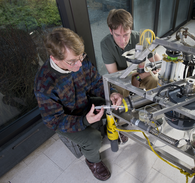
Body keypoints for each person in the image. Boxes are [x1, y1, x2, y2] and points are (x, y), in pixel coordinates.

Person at [34, 27, 124, 181]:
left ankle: (112, 129)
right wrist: (85, 121)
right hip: (65, 121)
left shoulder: (81, 60)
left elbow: (96, 82)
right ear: (54, 58)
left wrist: (113, 92)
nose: (80, 65)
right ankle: (93, 161)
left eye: (81, 57)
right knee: (93, 139)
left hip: (84, 104)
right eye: (72, 61)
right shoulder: (44, 84)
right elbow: (54, 121)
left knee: (112, 105)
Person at [100, 9, 161, 97]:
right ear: (110, 30)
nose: (122, 41)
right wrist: (138, 75)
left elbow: (157, 62)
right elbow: (113, 73)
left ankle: (150, 104)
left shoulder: (140, 38)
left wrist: (144, 74)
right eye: (117, 35)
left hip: (140, 74)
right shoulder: (105, 44)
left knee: (154, 79)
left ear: (131, 29)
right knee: (120, 89)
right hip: (120, 78)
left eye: (126, 34)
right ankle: (126, 109)